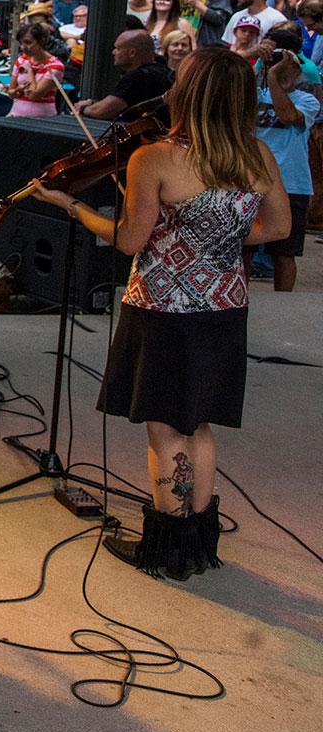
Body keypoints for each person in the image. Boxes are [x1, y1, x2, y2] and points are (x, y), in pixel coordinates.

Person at [22, 48, 288, 581]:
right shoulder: (258, 154)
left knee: (165, 430)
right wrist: (219, 242)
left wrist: (71, 206)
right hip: (225, 309)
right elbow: (278, 229)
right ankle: (195, 543)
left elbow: (129, 241)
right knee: (199, 422)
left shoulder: (157, 157)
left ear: (187, 94)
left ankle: (167, 548)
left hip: (163, 309)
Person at [255, 44, 316, 293]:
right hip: (253, 178)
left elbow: (289, 117)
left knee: (284, 252)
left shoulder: (307, 100)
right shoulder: (255, 95)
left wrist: (273, 78)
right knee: (244, 248)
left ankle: (284, 301)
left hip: (291, 182)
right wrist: (253, 58)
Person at [73, 30, 173, 122]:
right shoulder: (163, 70)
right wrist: (93, 103)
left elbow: (102, 111)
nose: (114, 52)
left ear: (132, 53)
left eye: (118, 48)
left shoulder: (137, 77)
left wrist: (83, 109)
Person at [6, 21, 64, 117]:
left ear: (41, 41)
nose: (23, 47)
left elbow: (34, 95)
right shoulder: (21, 60)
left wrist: (30, 72)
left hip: (42, 119)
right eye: (21, 43)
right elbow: (11, 93)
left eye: (28, 43)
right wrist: (18, 90)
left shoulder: (55, 66)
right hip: (17, 116)